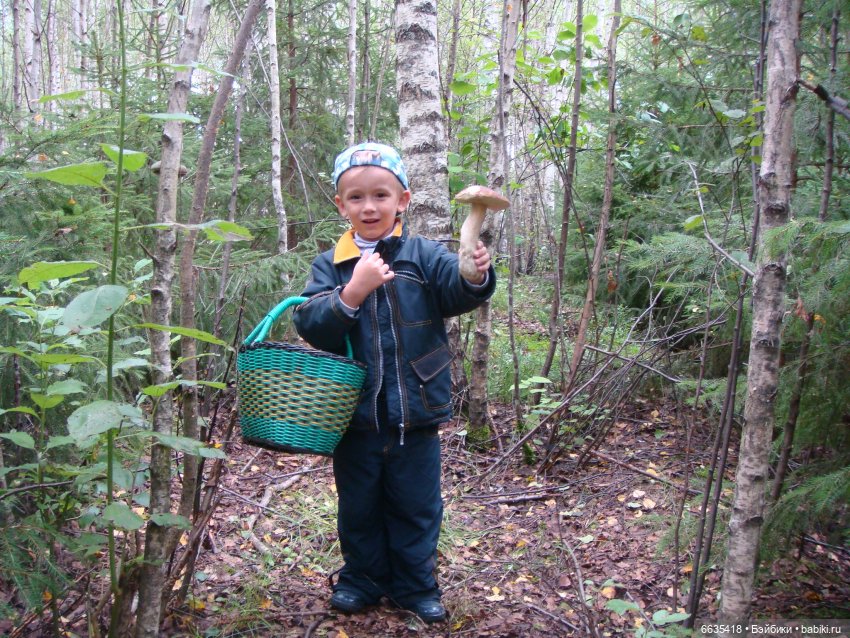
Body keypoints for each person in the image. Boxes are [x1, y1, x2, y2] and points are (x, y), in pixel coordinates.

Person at [293, 142, 496, 623]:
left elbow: (457, 291)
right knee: (359, 507)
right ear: (341, 205)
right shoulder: (331, 264)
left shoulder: (424, 255)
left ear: (402, 200)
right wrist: (353, 291)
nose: (369, 206)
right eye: (356, 197)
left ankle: (415, 586)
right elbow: (311, 323)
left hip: (417, 412)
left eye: (381, 195)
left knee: (416, 507)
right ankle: (362, 579)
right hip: (354, 416)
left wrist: (475, 275)